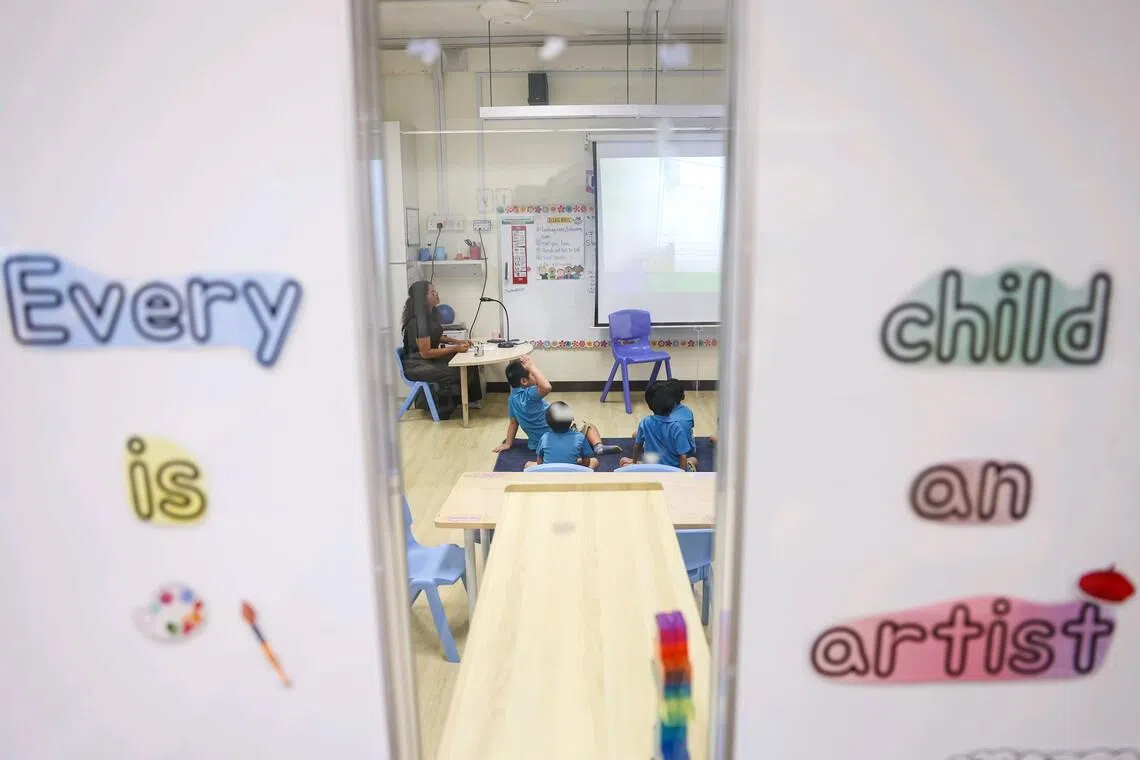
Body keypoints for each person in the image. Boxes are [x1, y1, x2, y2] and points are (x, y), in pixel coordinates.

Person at [492, 355, 622, 457]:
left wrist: (508, 443)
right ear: (524, 381)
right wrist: (532, 367)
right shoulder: (529, 395)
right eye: (532, 374)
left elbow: (513, 423)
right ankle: (598, 446)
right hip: (559, 432)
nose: (535, 375)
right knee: (588, 426)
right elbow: (547, 387)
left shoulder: (512, 400)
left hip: (539, 444)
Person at [399, 280, 480, 420]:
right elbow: (426, 352)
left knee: (467, 362)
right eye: (432, 292)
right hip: (416, 365)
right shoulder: (419, 321)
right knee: (453, 370)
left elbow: (436, 337)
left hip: (426, 361)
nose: (436, 293)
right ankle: (443, 409)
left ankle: (468, 401)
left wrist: (457, 342)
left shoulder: (429, 315)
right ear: (423, 299)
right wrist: (455, 348)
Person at [620, 384, 695, 471]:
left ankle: (641, 465)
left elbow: (638, 445)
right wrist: (681, 475)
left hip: (651, 468)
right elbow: (683, 455)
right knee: (693, 460)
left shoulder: (645, 422)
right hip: (672, 470)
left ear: (649, 405)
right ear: (673, 405)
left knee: (623, 463)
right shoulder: (677, 427)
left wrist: (634, 462)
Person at [526, 401, 599, 470]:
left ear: (547, 423)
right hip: (572, 475)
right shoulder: (580, 437)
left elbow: (539, 462)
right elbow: (586, 463)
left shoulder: (544, 437)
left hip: (548, 475)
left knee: (528, 464)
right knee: (594, 461)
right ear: (571, 420)